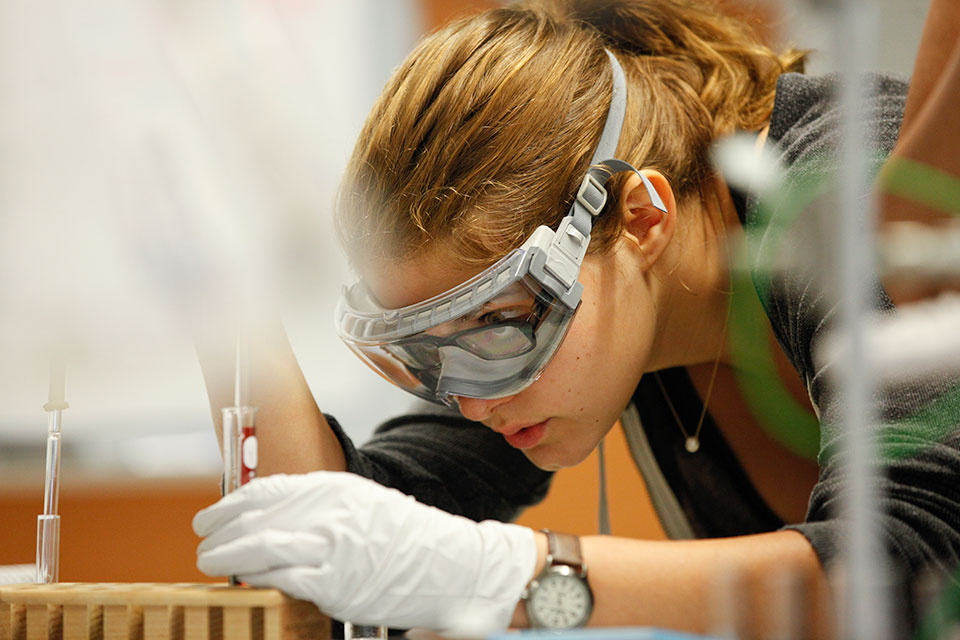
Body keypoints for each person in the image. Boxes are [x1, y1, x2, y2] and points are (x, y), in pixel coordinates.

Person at [191, 0, 960, 636]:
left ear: (641, 219)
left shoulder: (841, 199)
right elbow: (334, 535)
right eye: (424, 352)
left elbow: (912, 571)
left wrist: (528, 578)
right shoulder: (583, 319)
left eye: (495, 327)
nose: (472, 400)